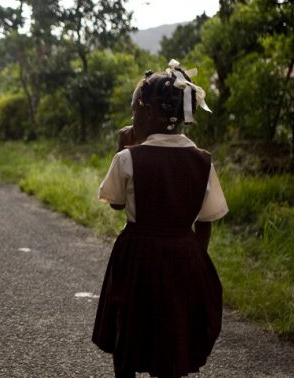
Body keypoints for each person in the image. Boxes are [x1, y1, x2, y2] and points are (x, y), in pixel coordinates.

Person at [92, 60, 228, 378]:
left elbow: (114, 205)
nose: (132, 119)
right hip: (185, 255)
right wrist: (194, 258)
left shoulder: (128, 157)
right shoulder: (202, 160)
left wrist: (122, 146)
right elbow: (206, 219)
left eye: (134, 112)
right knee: (173, 331)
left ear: (149, 114)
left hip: (137, 256)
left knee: (130, 325)